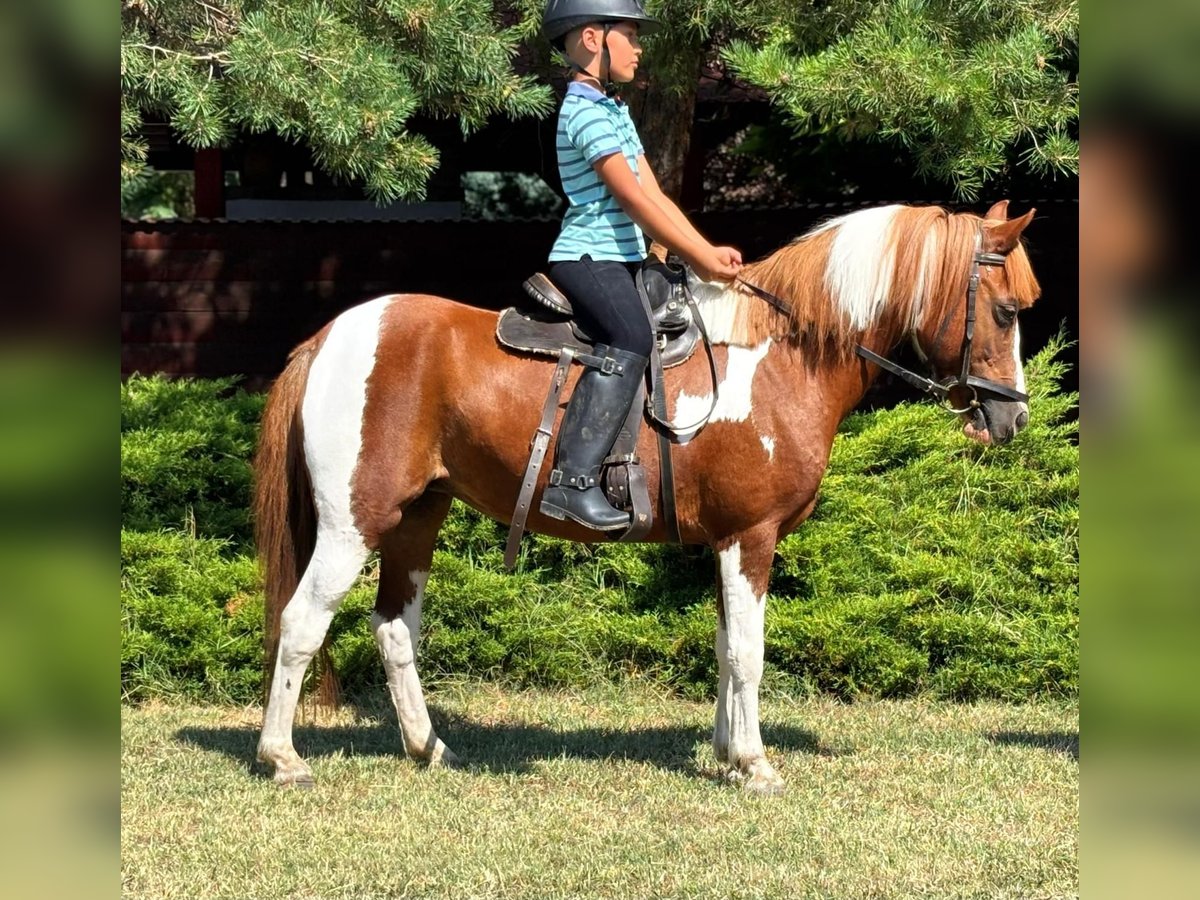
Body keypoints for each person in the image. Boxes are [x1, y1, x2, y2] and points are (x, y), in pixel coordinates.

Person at [538, 0, 743, 531]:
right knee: (629, 338)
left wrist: (705, 251)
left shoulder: (614, 110)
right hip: (589, 256)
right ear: (591, 39)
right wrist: (701, 256)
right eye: (629, 35)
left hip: (625, 255)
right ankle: (571, 481)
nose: (639, 46)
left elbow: (656, 195)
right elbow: (634, 202)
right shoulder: (581, 110)